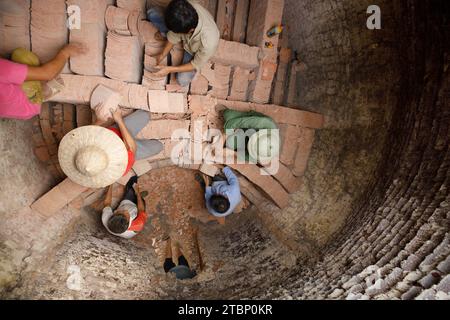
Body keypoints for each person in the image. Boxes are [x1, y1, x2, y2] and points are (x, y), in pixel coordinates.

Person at [58, 109, 163, 188]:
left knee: (144, 115)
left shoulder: (82, 144)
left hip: (116, 132)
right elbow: (132, 147)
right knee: (158, 146)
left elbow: (90, 130)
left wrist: (99, 120)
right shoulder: (118, 167)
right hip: (130, 147)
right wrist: (119, 120)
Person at [0, 44, 86, 120]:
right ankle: (40, 93)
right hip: (28, 105)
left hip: (12, 110)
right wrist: (65, 52)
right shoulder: (2, 70)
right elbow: (48, 74)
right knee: (21, 54)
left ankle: (36, 80)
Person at [147, 0, 220, 87]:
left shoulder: (209, 43)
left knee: (182, 80)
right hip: (183, 27)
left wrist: (169, 69)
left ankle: (166, 32)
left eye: (176, 32)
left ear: (190, 31)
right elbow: (174, 36)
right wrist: (162, 55)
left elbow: (195, 64)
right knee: (152, 13)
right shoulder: (186, 6)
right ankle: (166, 33)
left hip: (193, 50)